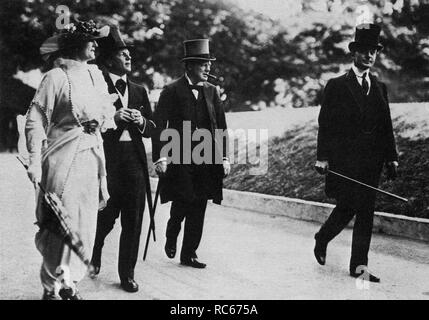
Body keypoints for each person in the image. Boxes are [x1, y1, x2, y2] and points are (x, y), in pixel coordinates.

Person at [25, 20, 116, 300]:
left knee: (83, 223)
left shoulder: (95, 76)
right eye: (91, 40)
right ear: (77, 44)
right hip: (61, 158)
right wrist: (33, 158)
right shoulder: (54, 77)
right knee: (59, 223)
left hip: (90, 158)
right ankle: (51, 286)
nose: (96, 45)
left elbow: (104, 116)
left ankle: (69, 281)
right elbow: (35, 119)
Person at [313, 23, 398, 282]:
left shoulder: (380, 87)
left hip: (371, 162)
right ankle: (323, 237)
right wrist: (323, 157)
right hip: (345, 160)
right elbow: (325, 123)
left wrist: (391, 156)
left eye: (373, 52)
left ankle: (359, 266)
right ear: (354, 52)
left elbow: (386, 125)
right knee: (348, 206)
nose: (369, 56)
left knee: (366, 214)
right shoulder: (337, 85)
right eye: (364, 51)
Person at [152, 39, 230, 269]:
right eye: (202, 64)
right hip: (179, 155)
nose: (208, 69)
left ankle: (189, 254)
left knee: (199, 204)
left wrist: (224, 157)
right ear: (189, 67)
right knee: (184, 198)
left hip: (206, 157)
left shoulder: (212, 91)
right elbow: (159, 125)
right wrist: (160, 157)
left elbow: (221, 127)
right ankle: (172, 229)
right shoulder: (171, 90)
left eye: (208, 64)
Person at [90, 26, 155, 293]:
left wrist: (141, 122)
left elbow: (154, 128)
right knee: (105, 217)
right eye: (123, 54)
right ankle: (95, 249)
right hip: (107, 162)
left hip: (135, 163)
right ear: (108, 60)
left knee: (134, 218)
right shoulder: (95, 83)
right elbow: (88, 121)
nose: (129, 58)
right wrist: (114, 119)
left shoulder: (139, 90)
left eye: (129, 54)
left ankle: (126, 274)